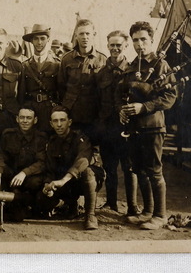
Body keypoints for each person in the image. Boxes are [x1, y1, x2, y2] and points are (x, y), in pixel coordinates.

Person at [115, 21, 177, 230]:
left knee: (154, 170)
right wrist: (122, 110)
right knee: (139, 169)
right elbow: (122, 95)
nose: (139, 44)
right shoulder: (132, 67)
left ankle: (160, 215)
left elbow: (170, 97)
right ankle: (147, 212)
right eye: (135, 40)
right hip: (134, 128)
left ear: (151, 40)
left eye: (143, 40)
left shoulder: (160, 65)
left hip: (153, 126)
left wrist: (144, 107)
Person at [37, 106, 105, 230]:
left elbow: (82, 161)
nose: (59, 124)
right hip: (67, 182)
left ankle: (90, 215)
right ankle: (71, 206)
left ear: (70, 122)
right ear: (51, 124)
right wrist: (48, 185)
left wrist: (63, 180)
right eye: (55, 121)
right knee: (41, 200)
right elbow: (50, 168)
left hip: (87, 180)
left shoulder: (80, 138)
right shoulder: (52, 142)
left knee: (87, 172)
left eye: (62, 120)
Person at [97, 30, 141, 215]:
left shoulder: (132, 71)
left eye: (119, 45)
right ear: (107, 46)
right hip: (107, 126)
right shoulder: (101, 72)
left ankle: (132, 206)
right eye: (112, 45)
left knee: (129, 166)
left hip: (126, 126)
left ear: (126, 46)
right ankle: (111, 203)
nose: (115, 48)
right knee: (109, 166)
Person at [58, 19, 107, 144]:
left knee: (92, 148)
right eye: (81, 34)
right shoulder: (67, 59)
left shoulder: (102, 59)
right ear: (76, 36)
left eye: (88, 34)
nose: (85, 37)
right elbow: (61, 86)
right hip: (72, 114)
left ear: (94, 35)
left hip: (93, 115)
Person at [0, 107, 47, 221]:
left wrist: (24, 173)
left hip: (29, 178)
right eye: (22, 117)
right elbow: (1, 158)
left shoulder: (41, 138)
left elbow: (42, 162)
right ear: (17, 119)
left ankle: (29, 204)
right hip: (11, 177)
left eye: (28, 118)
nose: (25, 121)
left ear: (35, 120)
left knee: (35, 182)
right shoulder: (7, 135)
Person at [21, 24, 60, 134]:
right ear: (31, 41)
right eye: (36, 39)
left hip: (49, 109)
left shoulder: (56, 64)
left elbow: (61, 91)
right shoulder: (25, 66)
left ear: (48, 40)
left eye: (42, 38)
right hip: (30, 110)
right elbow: (21, 92)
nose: (39, 42)